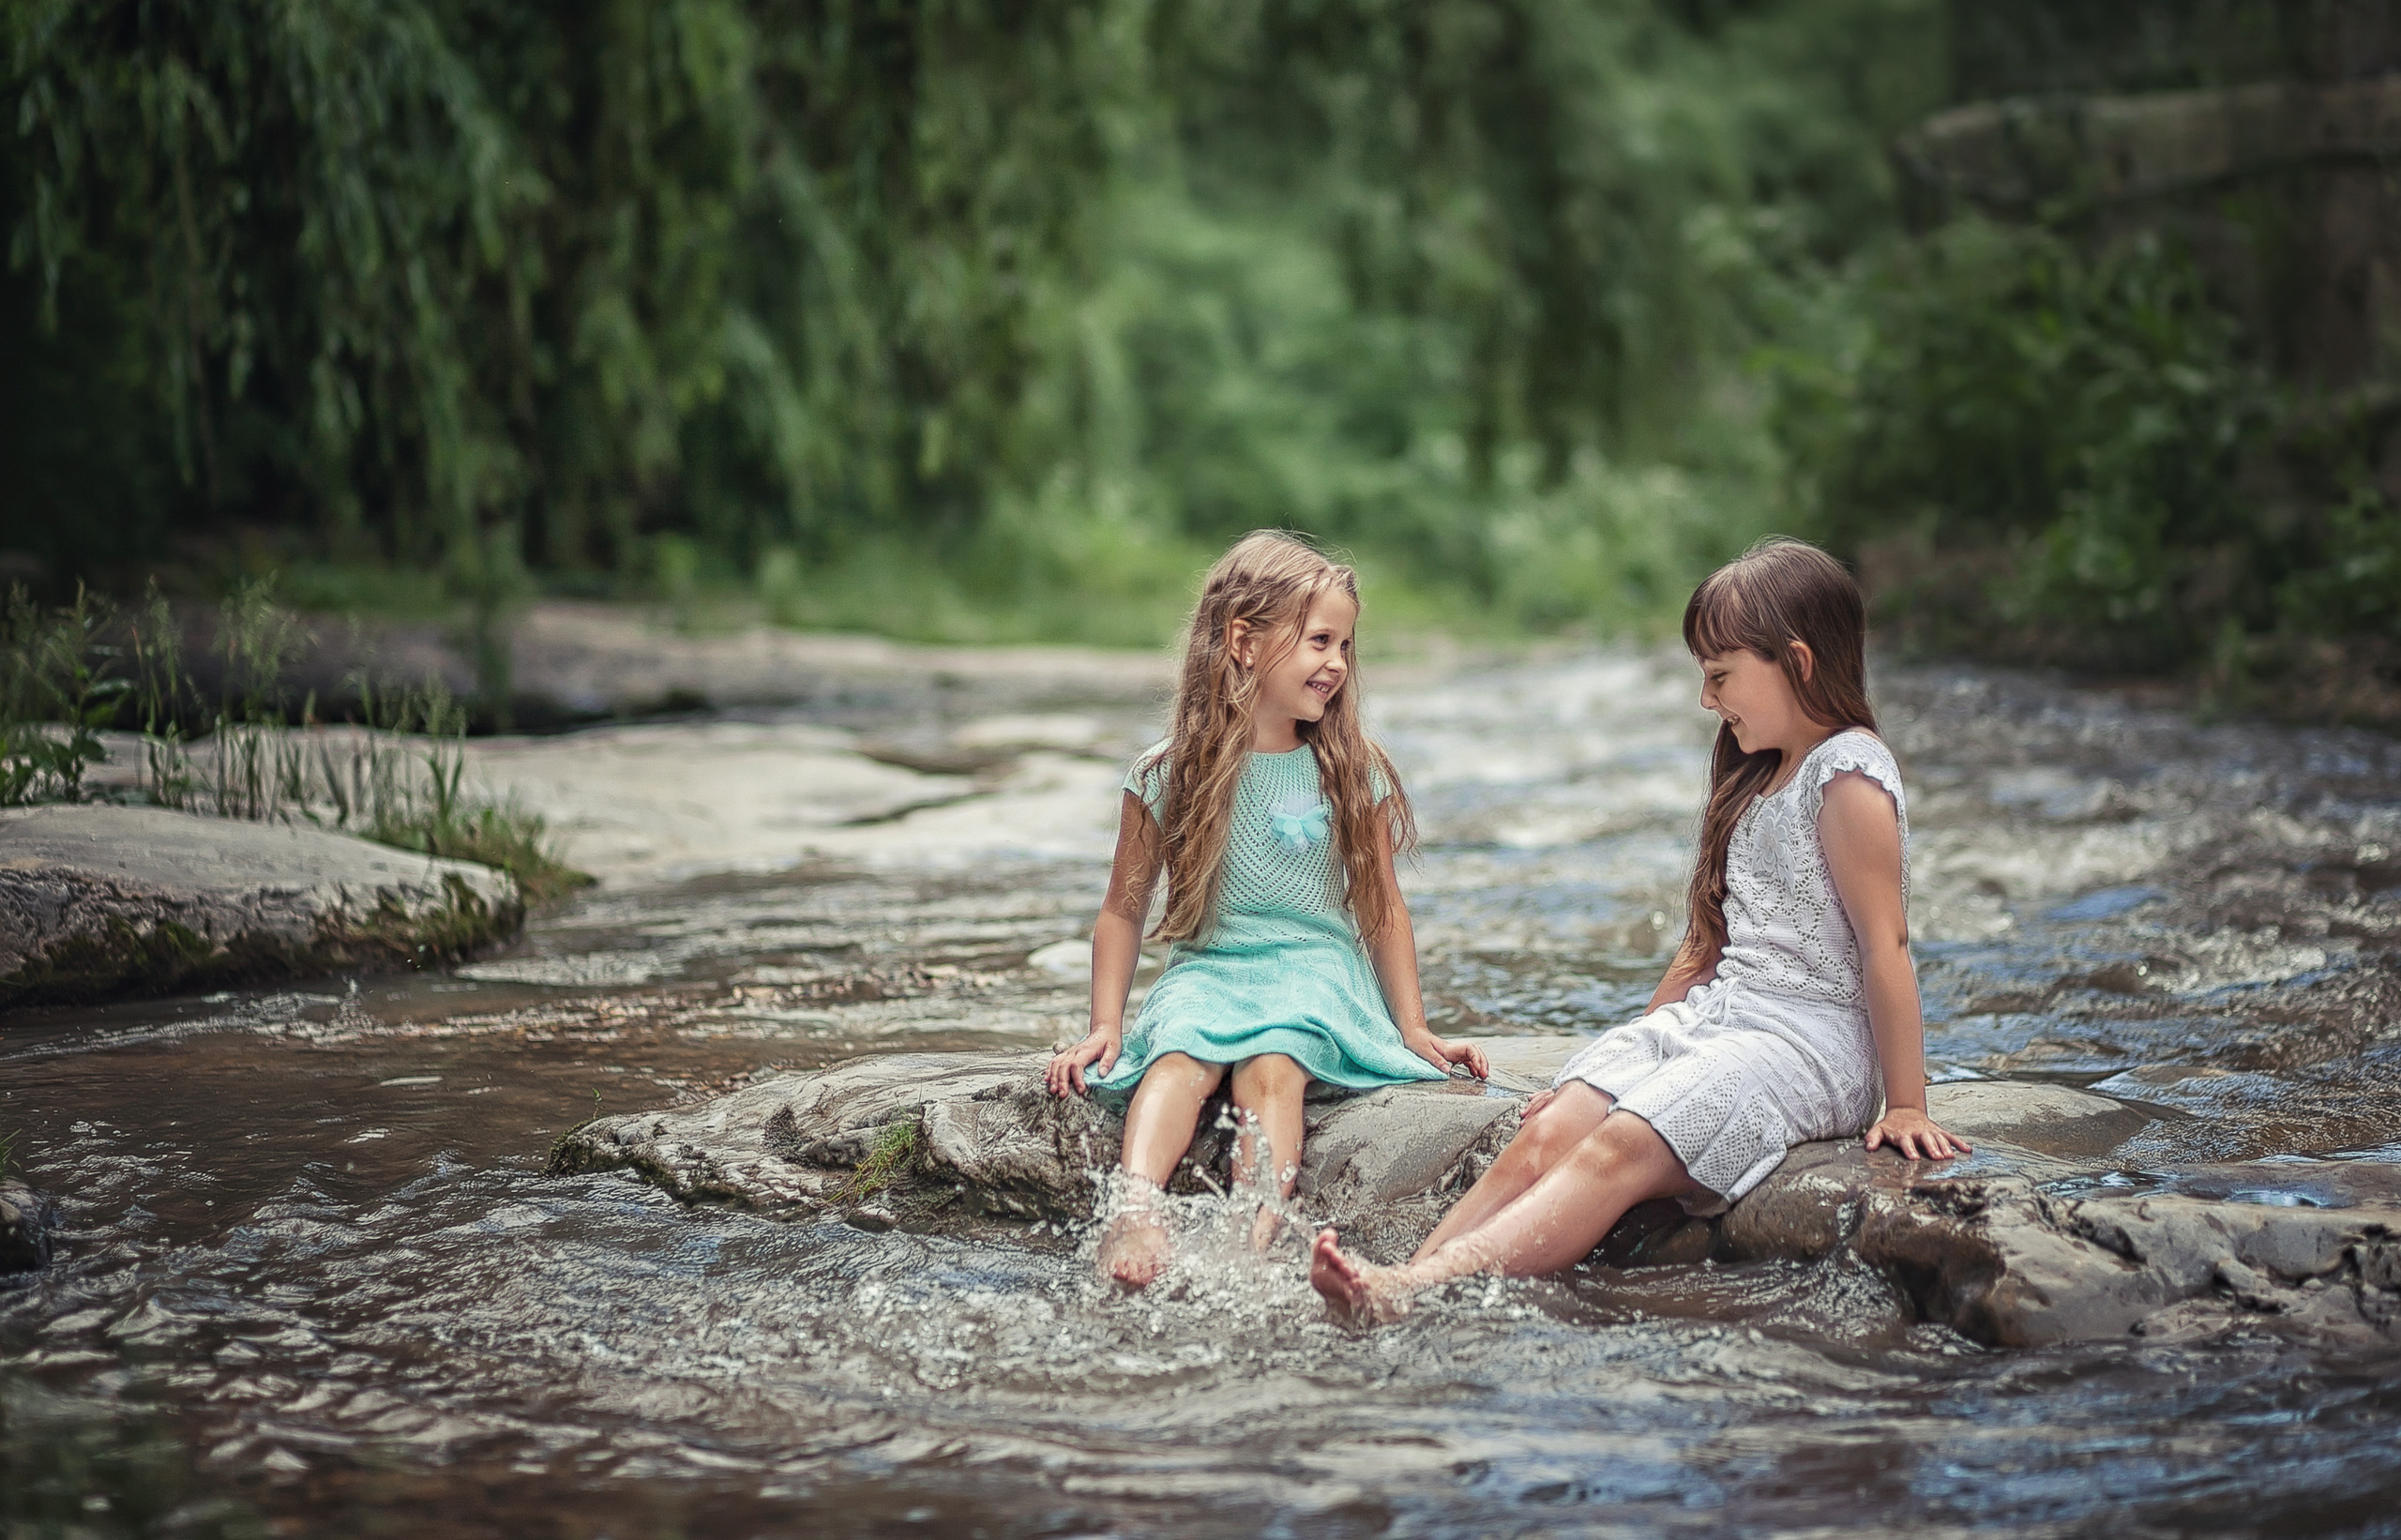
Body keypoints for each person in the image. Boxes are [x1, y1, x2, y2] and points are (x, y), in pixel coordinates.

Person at [1309, 536, 1968, 1321]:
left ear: (1795, 661)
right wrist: (1635, 1062)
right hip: (1724, 1022)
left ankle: (1414, 1292)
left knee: (1619, 1147)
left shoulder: (1848, 776)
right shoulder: (1754, 774)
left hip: (1811, 1043)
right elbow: (1703, 949)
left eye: (1720, 676)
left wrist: (1906, 1104)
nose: (1706, 700)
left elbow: (1884, 945)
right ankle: (1407, 1273)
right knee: (1552, 1127)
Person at [1046, 531, 1488, 1288]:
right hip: (1208, 968)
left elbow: (1382, 910)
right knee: (1179, 1055)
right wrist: (1107, 1026)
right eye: (1319, 641)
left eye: (1346, 645)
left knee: (1272, 1063)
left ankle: (1256, 1233)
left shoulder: (1350, 768)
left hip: (1315, 973)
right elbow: (1122, 910)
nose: (1338, 664)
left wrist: (1413, 1028)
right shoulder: (1165, 772)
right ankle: (1135, 1210)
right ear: (1243, 642)